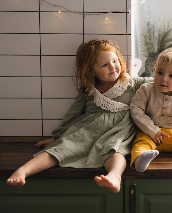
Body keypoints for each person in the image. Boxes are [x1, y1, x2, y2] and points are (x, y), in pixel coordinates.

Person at [6, 39, 152, 193]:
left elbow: (156, 82)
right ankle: (24, 170)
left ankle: (114, 177)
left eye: (115, 61)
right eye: (104, 65)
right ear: (91, 70)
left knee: (115, 150)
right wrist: (57, 136)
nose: (113, 67)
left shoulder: (132, 83)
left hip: (119, 130)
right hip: (89, 129)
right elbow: (72, 114)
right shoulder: (89, 90)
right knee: (63, 147)